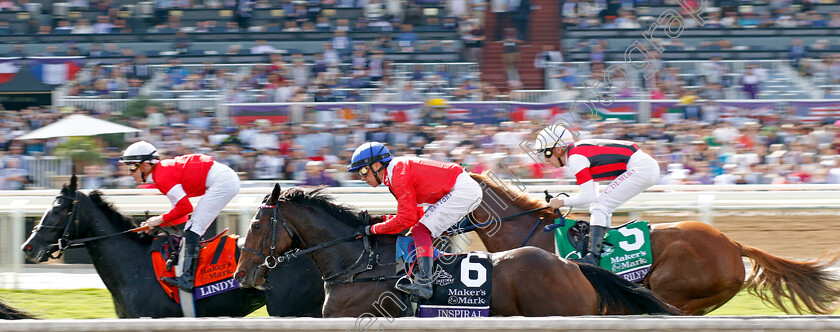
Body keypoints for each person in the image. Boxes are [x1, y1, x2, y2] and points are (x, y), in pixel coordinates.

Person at [350, 142, 482, 299]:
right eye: (359, 173)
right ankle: (422, 276)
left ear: (377, 164)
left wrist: (371, 230)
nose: (363, 177)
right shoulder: (394, 175)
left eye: (364, 171)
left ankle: (425, 284)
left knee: (420, 230)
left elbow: (407, 219)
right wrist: (382, 221)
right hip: (460, 189)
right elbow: (414, 217)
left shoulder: (398, 174)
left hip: (462, 191)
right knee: (418, 230)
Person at [119, 141, 241, 291]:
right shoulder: (161, 172)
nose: (129, 173)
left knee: (193, 229)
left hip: (223, 182)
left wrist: (158, 220)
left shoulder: (161, 175)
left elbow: (185, 208)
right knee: (192, 228)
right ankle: (192, 273)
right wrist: (157, 223)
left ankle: (187, 279)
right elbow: (181, 215)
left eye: (132, 167)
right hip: (223, 179)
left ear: (145, 166)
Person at [536, 124, 659, 266]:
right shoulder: (577, 154)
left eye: (546, 153)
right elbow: (590, 199)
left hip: (641, 168)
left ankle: (593, 257)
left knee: (600, 207)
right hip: (644, 166)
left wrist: (561, 202)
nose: (545, 160)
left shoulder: (575, 158)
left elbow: (589, 198)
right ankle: (602, 249)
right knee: (599, 206)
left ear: (558, 150)